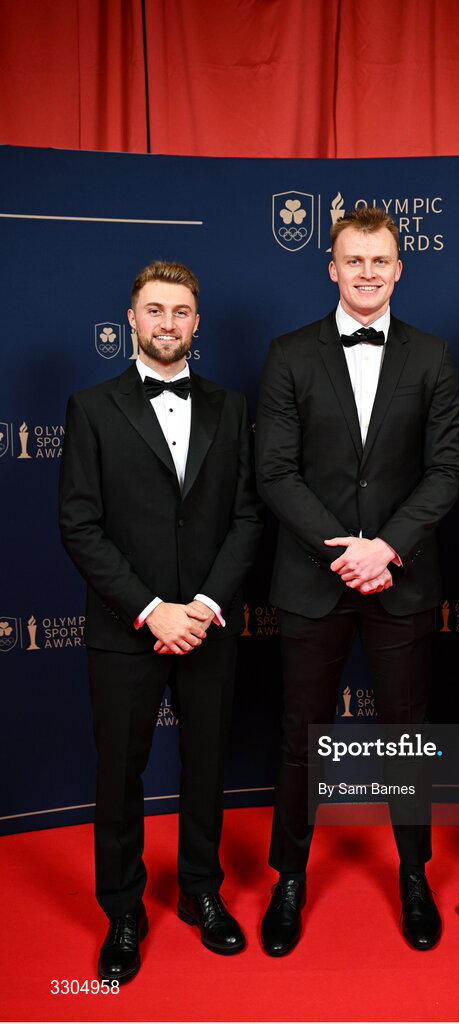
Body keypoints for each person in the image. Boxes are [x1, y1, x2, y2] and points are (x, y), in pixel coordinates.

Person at [255, 207, 459, 955]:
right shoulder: (288, 354)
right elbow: (275, 471)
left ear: (399, 269)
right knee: (300, 735)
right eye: (354, 260)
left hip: (400, 579)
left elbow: (447, 468)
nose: (367, 273)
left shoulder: (432, 355)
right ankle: (289, 878)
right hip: (312, 578)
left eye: (380, 260)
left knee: (407, 734)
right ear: (332, 269)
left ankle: (413, 874)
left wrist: (388, 548)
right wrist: (344, 552)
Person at [59, 260, 262, 983]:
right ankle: (122, 910)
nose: (167, 323)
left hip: (208, 623)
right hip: (128, 626)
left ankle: (202, 890)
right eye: (155, 310)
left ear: (196, 322)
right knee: (120, 772)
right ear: (132, 319)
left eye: (180, 311)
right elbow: (80, 525)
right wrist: (151, 611)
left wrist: (202, 607)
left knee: (207, 765)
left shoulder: (231, 407)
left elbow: (247, 517)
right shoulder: (91, 407)